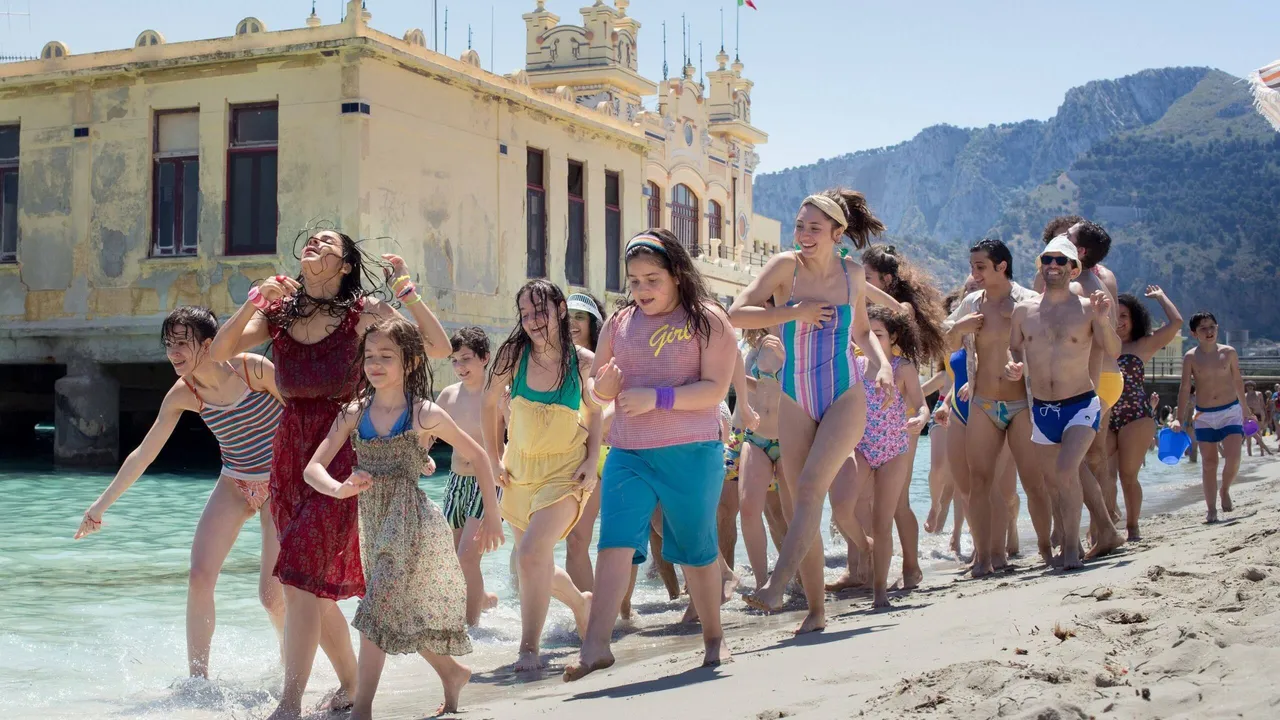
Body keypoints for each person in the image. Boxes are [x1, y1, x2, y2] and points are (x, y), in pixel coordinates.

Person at [208, 229, 451, 720]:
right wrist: (254, 300)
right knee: (312, 589)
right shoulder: (279, 314)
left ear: (344, 266)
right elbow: (219, 351)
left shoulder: (362, 314)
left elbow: (437, 347)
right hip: (289, 458)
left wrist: (405, 291)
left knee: (298, 580)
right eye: (311, 239)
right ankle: (356, 682)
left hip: (340, 454)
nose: (314, 243)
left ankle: (290, 704)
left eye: (327, 242)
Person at [304, 318, 502, 719]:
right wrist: (339, 488)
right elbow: (313, 469)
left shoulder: (423, 413)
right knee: (395, 611)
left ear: (409, 362)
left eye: (386, 356)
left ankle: (362, 709)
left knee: (376, 608)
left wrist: (493, 517)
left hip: (410, 522)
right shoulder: (353, 412)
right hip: (372, 522)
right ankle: (452, 672)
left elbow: (480, 456)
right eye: (369, 356)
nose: (375, 364)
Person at [74, 306, 285, 679]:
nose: (173, 352)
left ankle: (291, 661)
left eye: (182, 343)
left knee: (271, 596)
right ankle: (197, 680)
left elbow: (306, 416)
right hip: (235, 483)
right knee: (199, 577)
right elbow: (144, 454)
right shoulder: (184, 394)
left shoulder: (251, 369)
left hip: (280, 483)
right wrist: (99, 507)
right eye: (169, 343)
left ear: (208, 344)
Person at [565, 229, 738, 680]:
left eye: (652, 280)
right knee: (615, 542)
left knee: (696, 548)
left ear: (677, 274)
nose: (642, 290)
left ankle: (714, 637)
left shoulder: (708, 319)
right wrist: (600, 389)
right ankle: (595, 646)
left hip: (692, 450)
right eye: (634, 281)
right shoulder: (620, 324)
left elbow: (715, 389)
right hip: (629, 452)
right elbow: (596, 390)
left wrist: (657, 398)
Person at [730, 189, 894, 634]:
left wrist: (882, 366)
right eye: (800, 225)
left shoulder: (852, 274)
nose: (803, 234)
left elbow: (862, 330)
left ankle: (776, 585)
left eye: (814, 228)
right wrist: (793, 311)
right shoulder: (785, 267)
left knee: (808, 490)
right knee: (796, 505)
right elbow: (736, 314)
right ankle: (817, 612)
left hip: (844, 393)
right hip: (794, 395)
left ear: (837, 233)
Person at [482, 280, 599, 672]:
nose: (533, 320)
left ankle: (528, 648)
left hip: (565, 471)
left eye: (541, 311)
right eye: (526, 313)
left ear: (560, 309)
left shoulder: (581, 361)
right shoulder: (514, 356)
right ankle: (582, 603)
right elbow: (487, 404)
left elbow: (596, 411)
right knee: (534, 562)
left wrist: (592, 460)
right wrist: (494, 457)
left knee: (531, 554)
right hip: (518, 471)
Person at [944, 239, 1058, 573]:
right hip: (983, 402)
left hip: (1022, 403)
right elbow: (945, 338)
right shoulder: (971, 303)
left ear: (1001, 266)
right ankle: (983, 557)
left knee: (1033, 482)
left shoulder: (1029, 301)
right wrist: (960, 327)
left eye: (980, 267)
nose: (974, 273)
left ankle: (1045, 550)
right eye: (972, 266)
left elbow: (1050, 347)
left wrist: (1023, 367)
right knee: (978, 481)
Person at [1008, 238, 1121, 570]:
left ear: (1074, 269)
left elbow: (1114, 350)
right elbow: (1014, 347)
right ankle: (1100, 533)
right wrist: (1013, 364)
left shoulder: (1087, 308)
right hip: (1043, 408)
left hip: (1080, 404)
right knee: (1055, 482)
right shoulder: (1023, 311)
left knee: (1065, 470)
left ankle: (1071, 547)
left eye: (1061, 260)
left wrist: (1103, 320)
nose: (1053, 265)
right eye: (1048, 259)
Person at [828, 306, 929, 607]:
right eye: (866, 333)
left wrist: (921, 418)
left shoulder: (902, 367)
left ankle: (880, 592)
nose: (871, 339)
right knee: (841, 507)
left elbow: (921, 405)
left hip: (893, 449)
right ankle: (864, 545)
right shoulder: (855, 365)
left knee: (883, 521)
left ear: (893, 337)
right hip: (860, 447)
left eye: (879, 334)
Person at [860, 244, 947, 589]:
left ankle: (911, 566)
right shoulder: (866, 313)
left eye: (867, 277)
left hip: (901, 418)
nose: (861, 282)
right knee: (865, 501)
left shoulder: (899, 312)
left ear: (886, 280)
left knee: (898, 501)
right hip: (870, 420)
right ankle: (866, 570)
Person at [436, 327, 505, 625]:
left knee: (467, 556)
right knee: (454, 557)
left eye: (466, 359)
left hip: (487, 481)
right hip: (455, 481)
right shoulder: (448, 395)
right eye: (454, 360)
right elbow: (425, 434)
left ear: (484, 357)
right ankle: (484, 599)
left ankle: (470, 629)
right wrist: (423, 457)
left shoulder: (498, 394)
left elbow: (518, 435)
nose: (460, 366)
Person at [1107, 287, 1182, 540]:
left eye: (1124, 315)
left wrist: (1161, 297)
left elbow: (1176, 323)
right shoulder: (1099, 345)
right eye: (1114, 314)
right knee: (1102, 475)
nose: (1119, 320)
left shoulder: (1143, 345)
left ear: (1134, 319)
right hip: (1104, 415)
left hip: (1136, 416)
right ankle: (1105, 525)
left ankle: (1132, 527)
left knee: (1127, 475)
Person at [1172, 312, 1255, 522]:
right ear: (1194, 333)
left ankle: (1224, 489)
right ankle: (1211, 510)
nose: (1209, 331)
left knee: (1234, 458)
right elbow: (1184, 388)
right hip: (1204, 415)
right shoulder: (1191, 357)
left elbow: (1238, 381)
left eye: (1212, 327)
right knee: (1209, 463)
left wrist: (1245, 410)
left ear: (1217, 328)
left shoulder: (1229, 352)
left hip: (1230, 412)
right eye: (1203, 328)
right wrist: (1178, 418)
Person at [738, 328, 792, 590]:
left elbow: (803, 389)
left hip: (789, 439)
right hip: (756, 437)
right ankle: (762, 585)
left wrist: (786, 360)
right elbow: (758, 386)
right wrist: (736, 376)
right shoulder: (757, 345)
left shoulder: (797, 340)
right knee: (748, 509)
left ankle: (801, 578)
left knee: (794, 514)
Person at [1244, 382, 1274, 456]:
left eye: (1251, 386)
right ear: (1246, 387)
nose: (1250, 387)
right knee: (1248, 436)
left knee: (1259, 434)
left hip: (1259, 415)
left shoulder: (1259, 394)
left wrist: (1266, 416)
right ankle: (1250, 454)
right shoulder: (1244, 395)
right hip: (1248, 416)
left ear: (1254, 386)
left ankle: (1262, 452)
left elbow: (1263, 405)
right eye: (1248, 386)